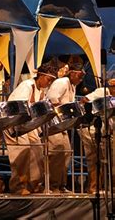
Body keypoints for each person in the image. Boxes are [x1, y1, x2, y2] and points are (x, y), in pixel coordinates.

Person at [3, 62, 58, 195]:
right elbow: (17, 108)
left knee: (37, 150)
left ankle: (33, 184)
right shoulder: (26, 86)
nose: (49, 83)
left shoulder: (41, 91)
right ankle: (18, 186)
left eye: (51, 81)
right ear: (40, 75)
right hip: (14, 121)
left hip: (26, 124)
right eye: (48, 79)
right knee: (22, 151)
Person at [46, 62, 85, 193]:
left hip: (61, 124)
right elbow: (52, 99)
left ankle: (61, 184)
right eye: (79, 75)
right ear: (72, 73)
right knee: (57, 152)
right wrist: (65, 112)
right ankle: (52, 185)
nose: (81, 79)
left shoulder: (72, 86)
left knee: (67, 152)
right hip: (53, 122)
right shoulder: (62, 82)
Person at [78, 78, 115, 194]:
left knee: (104, 158)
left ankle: (103, 187)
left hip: (105, 129)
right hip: (91, 126)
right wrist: (91, 114)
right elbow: (84, 100)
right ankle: (93, 188)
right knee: (94, 158)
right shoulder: (101, 92)